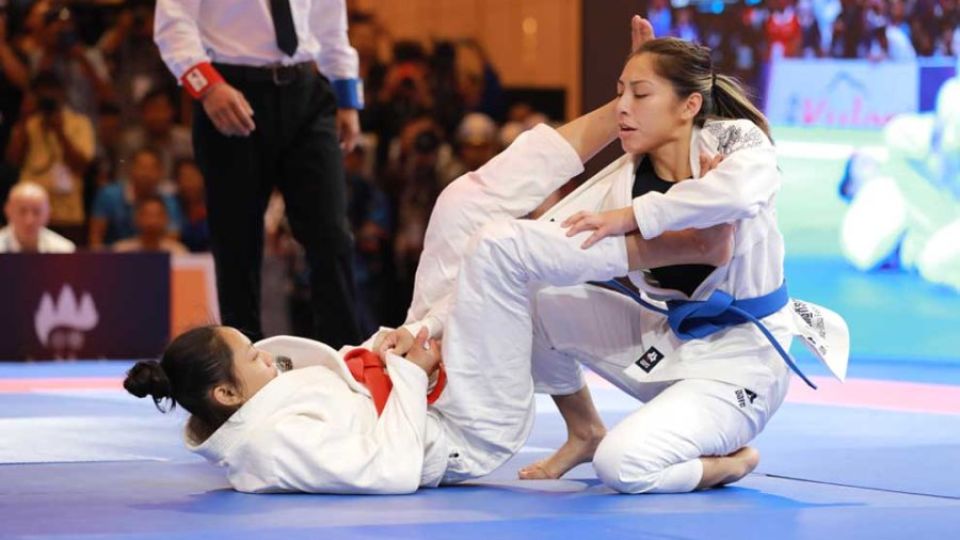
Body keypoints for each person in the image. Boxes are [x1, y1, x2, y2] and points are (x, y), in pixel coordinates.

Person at [124, 92, 737, 494]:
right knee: (500, 252)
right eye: (251, 355)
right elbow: (389, 472)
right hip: (462, 425)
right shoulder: (270, 445)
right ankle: (671, 242)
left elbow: (350, 384)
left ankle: (614, 111)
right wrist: (414, 370)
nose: (265, 354)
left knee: (461, 204)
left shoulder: (254, 399)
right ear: (227, 391)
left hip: (418, 380)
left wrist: (404, 341)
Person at [504, 19, 848, 493]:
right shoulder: (624, 178)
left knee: (622, 467)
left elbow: (742, 194)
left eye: (640, 95)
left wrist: (635, 216)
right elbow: (527, 247)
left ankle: (728, 463)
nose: (621, 108)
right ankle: (583, 430)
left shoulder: (735, 141)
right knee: (535, 298)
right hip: (671, 342)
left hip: (742, 364)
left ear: (689, 106)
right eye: (619, 92)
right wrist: (429, 328)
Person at [154, 0, 365, 348]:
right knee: (237, 242)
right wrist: (207, 86)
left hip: (306, 90)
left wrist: (346, 94)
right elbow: (173, 24)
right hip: (230, 91)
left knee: (331, 235)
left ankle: (347, 359)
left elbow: (330, 23)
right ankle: (243, 365)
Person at [5, 70, 94, 245]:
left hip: (67, 213)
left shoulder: (79, 123)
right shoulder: (28, 124)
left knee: (67, 268)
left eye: (52, 95)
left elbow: (82, 165)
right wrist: (23, 118)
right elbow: (13, 160)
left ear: (62, 94)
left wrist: (60, 133)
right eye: (42, 96)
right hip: (29, 213)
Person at [88, 147, 182, 248]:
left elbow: (172, 240)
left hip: (156, 257)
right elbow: (95, 236)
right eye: (142, 167)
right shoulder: (108, 195)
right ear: (130, 169)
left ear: (161, 172)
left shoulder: (169, 201)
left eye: (152, 168)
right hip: (115, 256)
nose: (146, 173)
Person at [0, 181, 74, 253]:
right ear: (8, 211)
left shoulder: (64, 251)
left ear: (48, 213)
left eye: (37, 212)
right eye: (22, 211)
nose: (29, 220)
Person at [113, 194, 189, 255]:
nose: (153, 221)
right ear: (136, 219)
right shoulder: (121, 251)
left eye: (158, 215)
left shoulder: (178, 252)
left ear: (167, 219)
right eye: (147, 215)